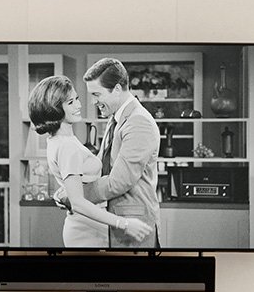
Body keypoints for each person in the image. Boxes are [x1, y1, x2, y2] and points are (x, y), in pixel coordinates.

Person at [27, 74, 150, 248]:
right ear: (54, 109)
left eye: (76, 99)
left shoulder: (63, 139)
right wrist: (124, 223)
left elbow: (78, 179)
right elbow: (77, 203)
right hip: (86, 230)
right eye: (70, 103)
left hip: (91, 226)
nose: (79, 105)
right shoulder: (67, 146)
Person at [78, 56, 163, 251]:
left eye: (97, 94)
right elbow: (101, 166)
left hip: (135, 228)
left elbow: (119, 181)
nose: (93, 102)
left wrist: (76, 195)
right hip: (118, 223)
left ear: (117, 89)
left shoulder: (138, 122)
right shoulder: (116, 119)